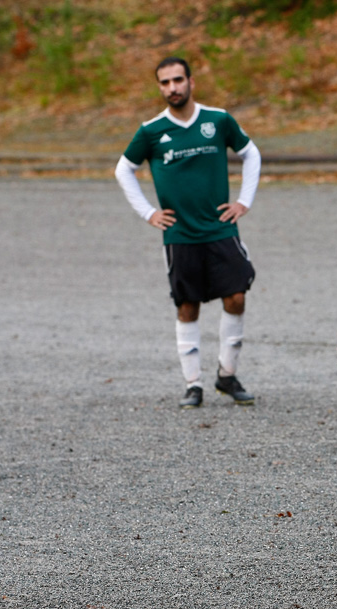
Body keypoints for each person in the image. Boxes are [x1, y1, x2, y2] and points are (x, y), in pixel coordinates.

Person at [115, 57, 262, 409]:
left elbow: (250, 153)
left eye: (177, 80)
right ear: (160, 87)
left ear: (191, 82)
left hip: (220, 229)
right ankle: (193, 384)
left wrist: (243, 201)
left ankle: (227, 376)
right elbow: (124, 169)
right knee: (187, 304)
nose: (172, 88)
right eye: (164, 83)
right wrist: (149, 212)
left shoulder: (218, 120)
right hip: (179, 235)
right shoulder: (151, 131)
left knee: (237, 296)